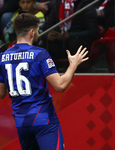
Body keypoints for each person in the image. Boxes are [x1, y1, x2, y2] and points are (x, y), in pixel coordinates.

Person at [0, 13, 88, 149]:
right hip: (43, 119)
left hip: (21, 122)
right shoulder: (39, 54)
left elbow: (1, 93)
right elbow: (60, 85)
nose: (38, 33)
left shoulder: (3, 57)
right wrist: (73, 65)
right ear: (31, 32)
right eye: (37, 30)